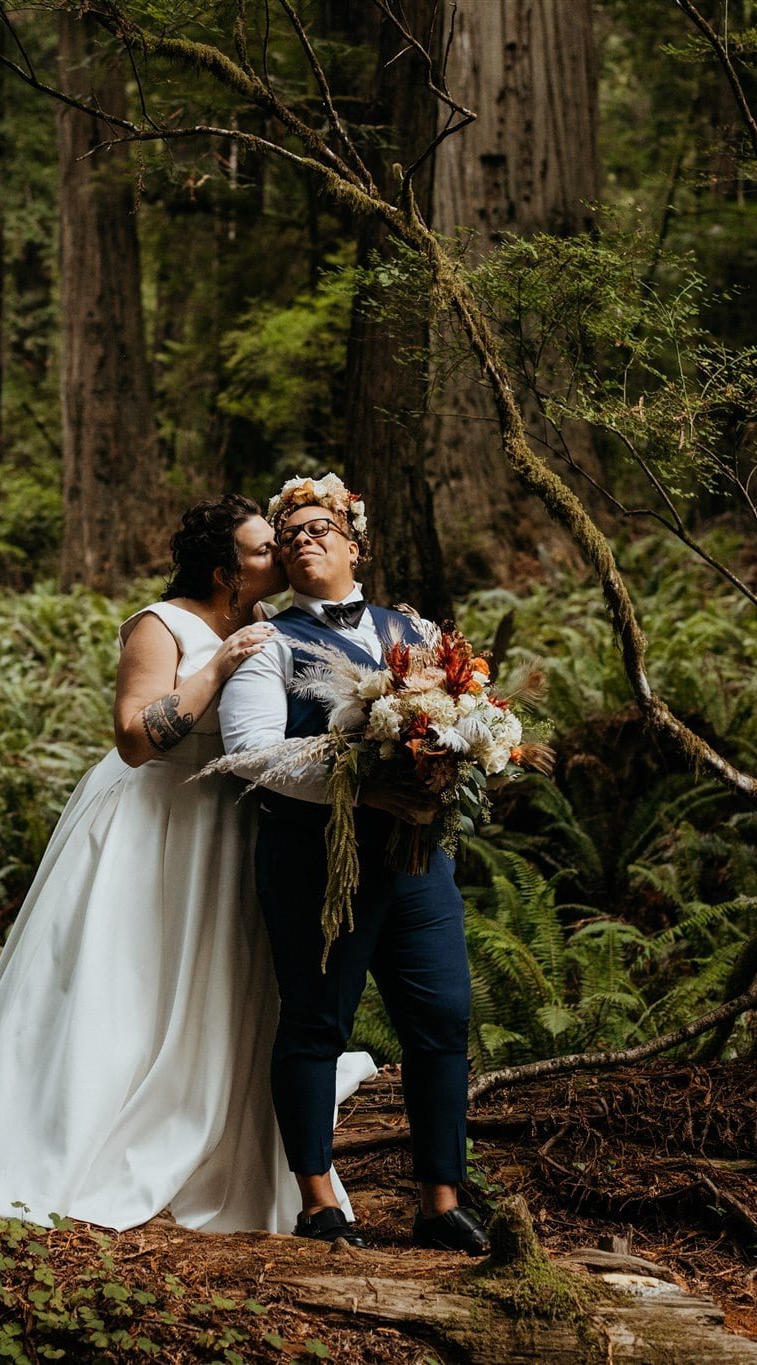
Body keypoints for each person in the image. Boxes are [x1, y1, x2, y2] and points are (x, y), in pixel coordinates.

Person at [0, 495, 375, 1233]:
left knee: (219, 988)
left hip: (225, 830)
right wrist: (217, 666)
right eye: (262, 551)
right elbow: (135, 736)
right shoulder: (165, 626)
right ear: (226, 570)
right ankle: (83, 1136)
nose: (279, 556)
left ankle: (213, 1136)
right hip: (151, 824)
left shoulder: (274, 629)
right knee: (124, 981)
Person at [218, 474, 492, 1255]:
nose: (304, 540)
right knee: (315, 1022)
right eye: (290, 533)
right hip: (318, 863)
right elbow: (253, 756)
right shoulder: (269, 642)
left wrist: (459, 754)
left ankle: (440, 1199)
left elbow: (464, 716)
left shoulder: (413, 629)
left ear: (354, 544)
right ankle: (316, 1201)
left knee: (441, 1017)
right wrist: (367, 780)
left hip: (417, 866)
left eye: (319, 529)